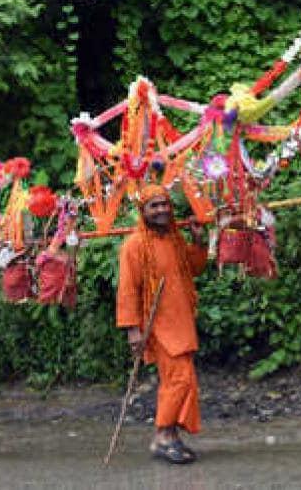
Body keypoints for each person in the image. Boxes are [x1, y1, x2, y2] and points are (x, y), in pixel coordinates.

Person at [116, 184, 208, 464]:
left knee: (182, 379)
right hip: (157, 324)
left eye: (164, 204)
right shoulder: (134, 245)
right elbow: (128, 289)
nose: (161, 210)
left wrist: (199, 242)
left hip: (181, 319)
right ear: (142, 212)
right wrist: (133, 330)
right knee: (178, 379)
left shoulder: (175, 238)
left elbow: (194, 269)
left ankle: (171, 435)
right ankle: (162, 437)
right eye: (154, 206)